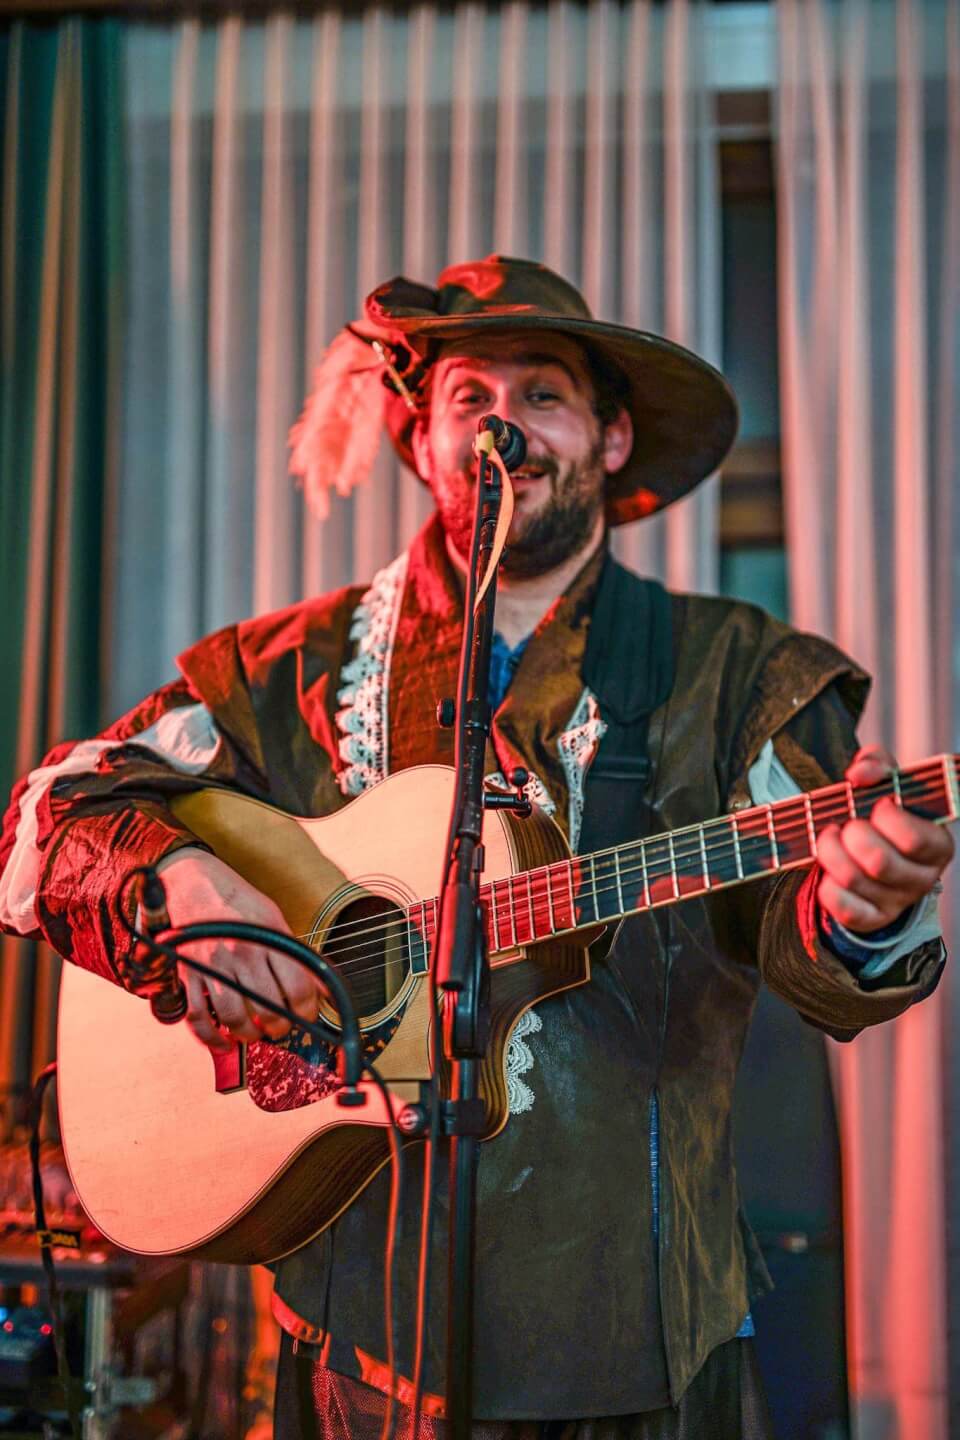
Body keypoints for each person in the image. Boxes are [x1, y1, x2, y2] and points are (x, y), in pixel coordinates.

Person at [0, 256, 952, 1440]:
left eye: (543, 393)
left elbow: (815, 948)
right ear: (422, 443)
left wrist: (866, 908)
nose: (506, 425)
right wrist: (179, 884)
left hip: (641, 1341)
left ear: (610, 438)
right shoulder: (284, 670)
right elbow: (51, 815)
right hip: (356, 1353)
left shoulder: (742, 670)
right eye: (470, 399)